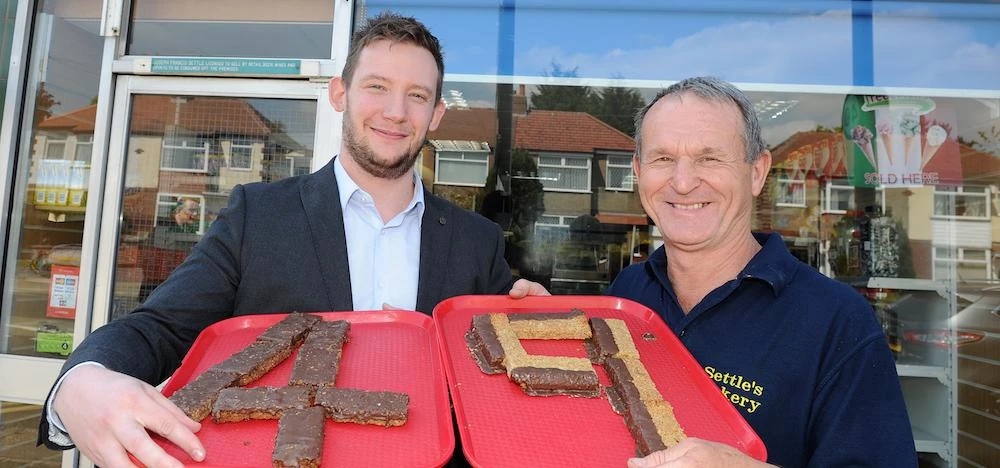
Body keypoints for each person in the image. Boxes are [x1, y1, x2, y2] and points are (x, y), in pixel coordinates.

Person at [37, 12, 547, 468]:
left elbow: (494, 378)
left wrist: (537, 321)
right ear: (340, 93)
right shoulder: (256, 216)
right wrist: (82, 382)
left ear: (435, 114)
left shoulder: (477, 241)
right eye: (377, 87)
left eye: (417, 95)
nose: (396, 111)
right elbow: (161, 328)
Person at [609, 77, 917, 467]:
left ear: (757, 172)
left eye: (709, 158)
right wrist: (529, 321)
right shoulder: (625, 295)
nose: (683, 182)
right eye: (663, 158)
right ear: (639, 171)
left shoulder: (837, 322)